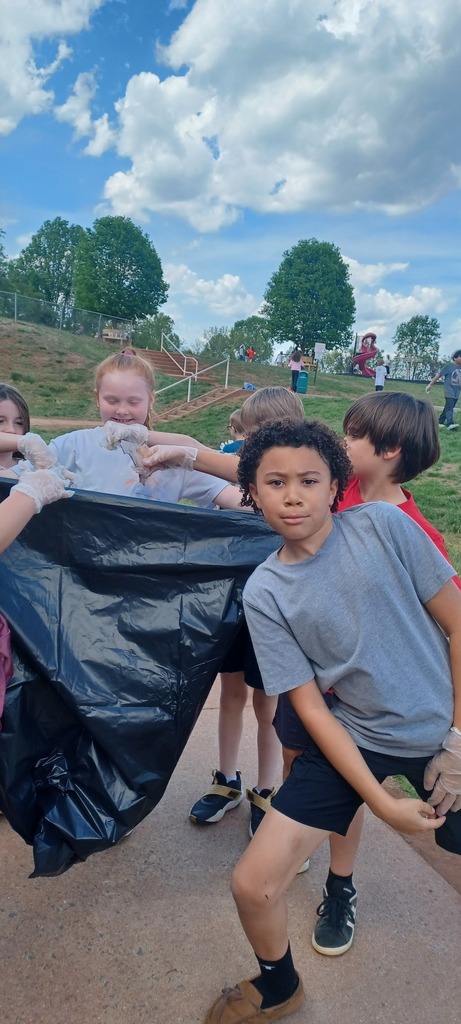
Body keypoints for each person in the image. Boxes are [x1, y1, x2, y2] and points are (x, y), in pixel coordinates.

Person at [202, 417, 461, 1024]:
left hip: (444, 733)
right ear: (253, 493)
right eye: (275, 482)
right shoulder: (265, 591)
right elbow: (311, 707)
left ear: (333, 484)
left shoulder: (385, 527)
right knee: (254, 883)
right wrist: (378, 800)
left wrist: (459, 741)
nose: (293, 495)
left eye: (308, 480)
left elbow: (459, 623)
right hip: (355, 738)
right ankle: (279, 985)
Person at [273, 392, 461, 958]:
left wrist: (456, 735)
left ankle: (341, 885)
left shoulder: (415, 533)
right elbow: (256, 472)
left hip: (373, 707)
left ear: (389, 449)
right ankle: (301, 834)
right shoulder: (335, 490)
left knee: (363, 788)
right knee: (303, 766)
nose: (341, 441)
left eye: (353, 435)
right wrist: (181, 451)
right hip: (310, 685)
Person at [125, 388, 305, 838]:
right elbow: (193, 446)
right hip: (229, 604)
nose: (253, 444)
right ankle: (227, 781)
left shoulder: (297, 476)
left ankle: (267, 790)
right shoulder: (230, 460)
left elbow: (242, 487)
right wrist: (127, 430)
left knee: (269, 706)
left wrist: (190, 455)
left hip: (277, 611)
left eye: (264, 434)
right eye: (249, 434)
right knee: (230, 695)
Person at [11, 350, 244, 511]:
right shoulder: (74, 445)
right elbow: (11, 477)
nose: (122, 411)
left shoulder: (173, 457)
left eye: (133, 402)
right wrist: (20, 444)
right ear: (97, 398)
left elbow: (240, 500)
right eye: (112, 400)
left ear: (151, 399)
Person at [426, 349, 461, 430]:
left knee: (448, 407)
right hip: (449, 390)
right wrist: (430, 385)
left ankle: (440, 422)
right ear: (455, 358)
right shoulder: (448, 366)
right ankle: (450, 424)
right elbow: (438, 375)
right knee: (450, 406)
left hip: (457, 391)